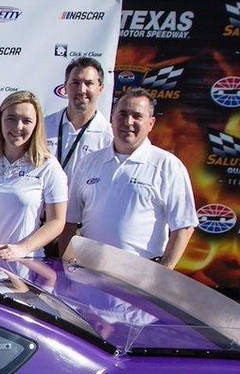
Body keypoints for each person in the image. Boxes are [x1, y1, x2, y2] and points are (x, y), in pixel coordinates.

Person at [62, 89, 196, 267]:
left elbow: (184, 227)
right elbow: (69, 221)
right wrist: (66, 266)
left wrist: (163, 275)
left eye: (137, 116)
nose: (128, 122)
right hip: (87, 270)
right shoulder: (89, 162)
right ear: (112, 118)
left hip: (139, 275)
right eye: (122, 114)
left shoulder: (168, 166)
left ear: (151, 123)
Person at [0, 91, 67, 260]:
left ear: (36, 125)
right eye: (11, 118)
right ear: (0, 120)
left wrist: (22, 249)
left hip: (23, 265)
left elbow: (56, 221)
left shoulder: (48, 166)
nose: (18, 127)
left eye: (26, 120)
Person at [45, 55, 111, 173]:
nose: (81, 90)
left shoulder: (109, 136)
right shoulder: (43, 127)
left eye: (89, 83)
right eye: (75, 82)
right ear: (65, 87)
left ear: (100, 88)